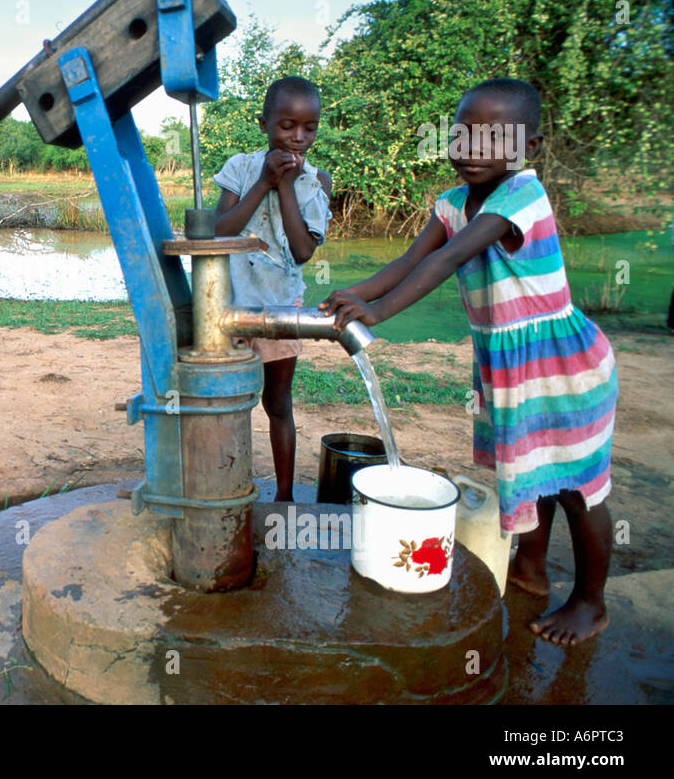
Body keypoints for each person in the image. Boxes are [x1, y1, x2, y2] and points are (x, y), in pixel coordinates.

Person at [321, 79, 616, 645]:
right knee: (534, 474)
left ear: (528, 144)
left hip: (562, 367)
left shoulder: (520, 198)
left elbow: (450, 259)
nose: (472, 148)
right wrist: (351, 296)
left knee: (579, 489)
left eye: (492, 136)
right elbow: (413, 258)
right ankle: (530, 571)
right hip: (510, 369)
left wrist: (377, 313)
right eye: (463, 133)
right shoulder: (452, 203)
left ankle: (590, 602)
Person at [213, 76, 332, 502]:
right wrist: (264, 181)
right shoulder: (242, 168)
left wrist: (284, 184)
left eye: (309, 128)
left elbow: (302, 251)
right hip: (228, 307)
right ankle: (227, 484)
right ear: (264, 124)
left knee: (277, 404)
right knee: (228, 399)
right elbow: (218, 230)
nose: (298, 137)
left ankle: (284, 496)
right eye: (286, 126)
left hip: (280, 307)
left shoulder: (316, 182)